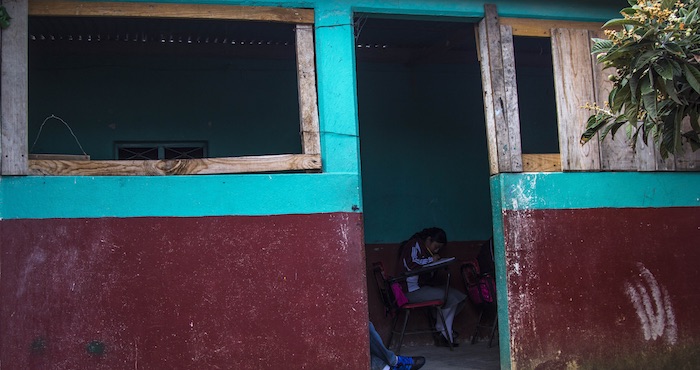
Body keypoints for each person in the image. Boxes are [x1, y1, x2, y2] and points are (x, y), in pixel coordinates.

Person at [398, 227, 467, 347]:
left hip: (421, 288)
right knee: (447, 295)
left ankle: (444, 329)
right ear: (428, 240)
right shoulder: (414, 244)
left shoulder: (426, 250)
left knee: (457, 296)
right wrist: (431, 260)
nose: (437, 250)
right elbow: (412, 264)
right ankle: (443, 330)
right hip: (410, 291)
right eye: (436, 246)